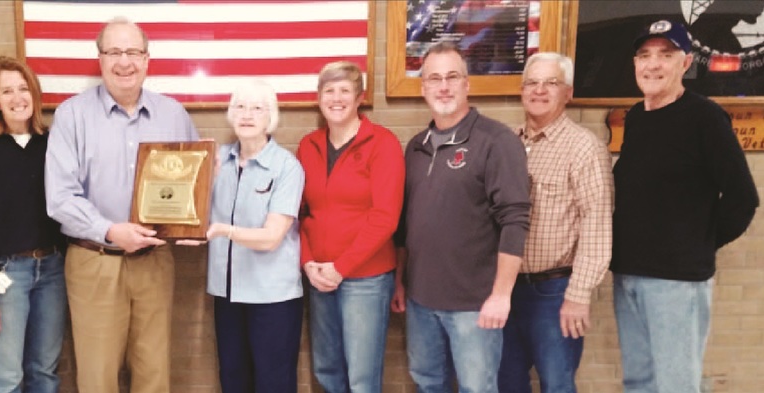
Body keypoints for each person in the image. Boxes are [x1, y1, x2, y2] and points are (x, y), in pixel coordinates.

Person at [44, 16, 199, 393]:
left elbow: (197, 182)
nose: (124, 62)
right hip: (95, 261)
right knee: (98, 376)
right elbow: (60, 198)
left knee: (154, 371)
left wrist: (195, 223)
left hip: (155, 261)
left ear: (147, 59)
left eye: (132, 52)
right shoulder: (72, 115)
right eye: (114, 52)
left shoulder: (173, 115)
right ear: (100, 59)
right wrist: (111, 231)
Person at [612, 20, 759, 393]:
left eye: (665, 55)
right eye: (644, 56)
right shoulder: (636, 117)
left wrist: (698, 244)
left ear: (686, 62)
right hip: (628, 275)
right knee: (639, 382)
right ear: (634, 64)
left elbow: (743, 198)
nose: (652, 64)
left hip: (676, 283)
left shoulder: (705, 118)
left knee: (676, 384)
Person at [391, 42, 531, 393]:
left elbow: (515, 220)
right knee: (427, 383)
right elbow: (407, 227)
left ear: (467, 84)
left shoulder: (496, 141)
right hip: (422, 301)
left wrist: (501, 295)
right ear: (422, 88)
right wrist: (400, 281)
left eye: (452, 77)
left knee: (477, 387)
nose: (443, 86)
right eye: (434, 78)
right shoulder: (416, 147)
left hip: (474, 304)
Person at [179, 80, 305, 393]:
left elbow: (272, 236)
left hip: (272, 298)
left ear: (270, 117)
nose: (247, 114)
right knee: (233, 380)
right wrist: (199, 172)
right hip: (228, 294)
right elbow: (190, 209)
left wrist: (222, 231)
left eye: (257, 108)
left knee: (273, 383)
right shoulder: (217, 159)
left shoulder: (286, 166)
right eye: (240, 107)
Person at [498, 52, 614, 393]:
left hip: (554, 292)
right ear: (521, 90)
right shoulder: (507, 145)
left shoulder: (584, 149)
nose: (539, 90)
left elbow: (597, 226)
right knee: (506, 381)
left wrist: (578, 296)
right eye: (532, 83)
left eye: (551, 83)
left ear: (568, 92)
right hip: (505, 288)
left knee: (557, 383)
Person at [0, 56, 67, 393]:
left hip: (52, 271)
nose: (17, 98)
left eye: (23, 89)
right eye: (7, 91)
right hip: (6, 275)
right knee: (7, 378)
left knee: (44, 372)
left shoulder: (53, 145)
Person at [295, 61, 404, 393]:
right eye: (329, 90)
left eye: (345, 90)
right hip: (319, 276)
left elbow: (386, 217)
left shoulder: (382, 144)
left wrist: (341, 268)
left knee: (361, 378)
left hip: (366, 280)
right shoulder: (308, 145)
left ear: (360, 98)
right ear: (319, 98)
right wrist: (308, 262)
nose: (337, 98)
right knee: (326, 370)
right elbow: (298, 214)